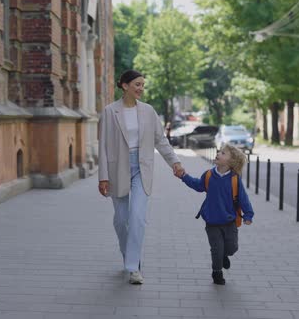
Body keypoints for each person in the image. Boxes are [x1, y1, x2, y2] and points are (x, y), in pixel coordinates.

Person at [98, 69, 184, 285]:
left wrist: (175, 161)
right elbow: (103, 147)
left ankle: (134, 266)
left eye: (143, 85)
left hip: (141, 169)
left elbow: (160, 140)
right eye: (137, 84)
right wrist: (103, 176)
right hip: (117, 169)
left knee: (137, 218)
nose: (141, 89)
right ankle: (128, 255)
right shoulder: (110, 112)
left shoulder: (148, 111)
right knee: (121, 221)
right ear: (125, 86)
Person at [175, 144, 254, 285]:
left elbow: (243, 198)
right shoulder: (209, 175)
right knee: (216, 248)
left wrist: (248, 214)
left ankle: (225, 255)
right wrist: (184, 176)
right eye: (219, 151)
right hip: (212, 221)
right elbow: (198, 185)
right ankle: (217, 272)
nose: (218, 154)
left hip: (229, 221)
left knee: (232, 248)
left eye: (223, 153)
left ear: (231, 161)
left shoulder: (234, 179)